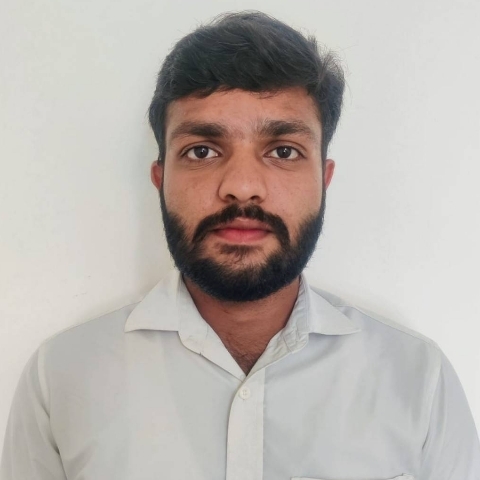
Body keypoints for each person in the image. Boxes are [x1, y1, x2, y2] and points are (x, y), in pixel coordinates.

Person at [1, 11, 479, 480]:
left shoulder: (419, 381)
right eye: (202, 151)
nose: (242, 186)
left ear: (324, 178)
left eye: (284, 151)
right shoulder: (61, 378)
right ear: (161, 179)